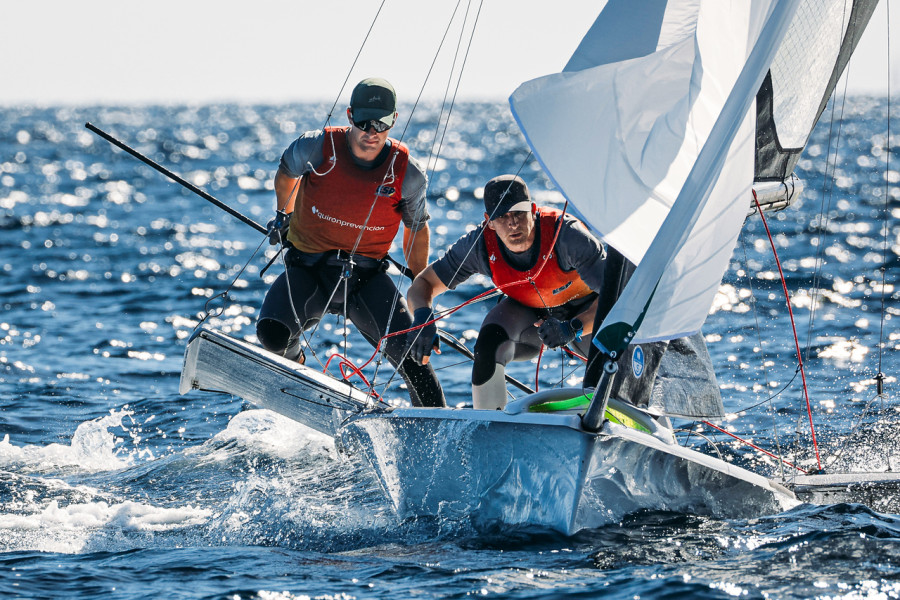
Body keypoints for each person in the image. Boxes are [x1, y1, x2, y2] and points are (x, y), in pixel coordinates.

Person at [256, 77, 446, 408]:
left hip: (366, 280)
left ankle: (436, 430)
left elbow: (416, 229)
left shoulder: (408, 173)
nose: (372, 131)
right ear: (349, 115)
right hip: (308, 270)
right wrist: (283, 214)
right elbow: (286, 172)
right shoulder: (315, 147)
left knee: (418, 364)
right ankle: (296, 367)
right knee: (271, 334)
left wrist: (421, 301)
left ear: (394, 121)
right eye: (364, 122)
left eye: (381, 123)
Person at [406, 174, 606, 410]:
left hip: (590, 314)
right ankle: (489, 422)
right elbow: (423, 283)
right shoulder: (479, 245)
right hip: (531, 317)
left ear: (533, 210)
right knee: (490, 341)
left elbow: (617, 297)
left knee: (613, 356)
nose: (512, 223)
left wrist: (573, 327)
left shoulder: (568, 236)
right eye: (502, 216)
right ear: (489, 221)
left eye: (519, 213)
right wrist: (422, 318)